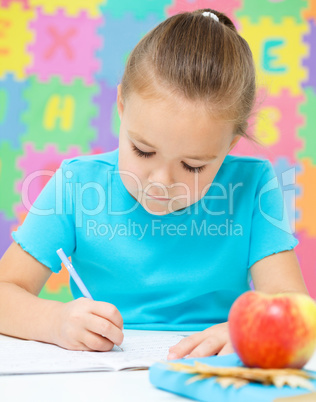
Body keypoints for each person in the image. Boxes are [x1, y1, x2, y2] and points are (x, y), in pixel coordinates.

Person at [0, 9, 308, 360]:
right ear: (121, 105)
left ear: (230, 146)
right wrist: (54, 321)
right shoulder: (76, 183)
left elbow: (293, 305)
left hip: (209, 371)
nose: (162, 183)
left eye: (193, 166)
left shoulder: (253, 186)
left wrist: (250, 332)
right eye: (143, 151)